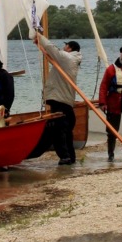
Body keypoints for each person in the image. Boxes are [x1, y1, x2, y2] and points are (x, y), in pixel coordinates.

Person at [32, 34, 82, 165]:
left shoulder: (68, 58)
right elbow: (50, 55)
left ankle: (65, 157)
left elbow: (52, 48)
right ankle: (70, 157)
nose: (63, 47)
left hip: (59, 99)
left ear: (70, 48)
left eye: (65, 45)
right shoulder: (70, 60)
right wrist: (39, 45)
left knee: (59, 129)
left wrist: (39, 36)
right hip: (62, 99)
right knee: (66, 128)